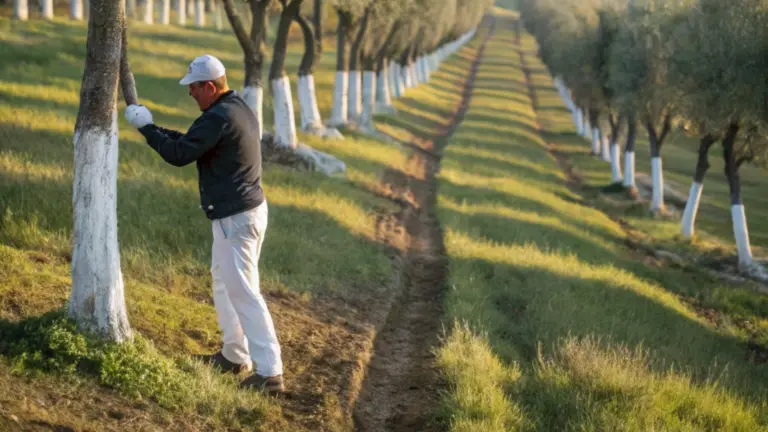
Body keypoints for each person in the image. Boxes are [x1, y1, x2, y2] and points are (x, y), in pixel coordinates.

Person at [124, 54, 284, 395]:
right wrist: (154, 127)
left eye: (194, 87)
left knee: (243, 290)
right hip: (243, 212)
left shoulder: (218, 117)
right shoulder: (234, 108)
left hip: (236, 217)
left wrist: (146, 129)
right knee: (225, 283)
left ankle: (270, 372)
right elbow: (190, 142)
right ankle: (234, 355)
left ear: (210, 86)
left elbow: (179, 155)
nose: (190, 93)